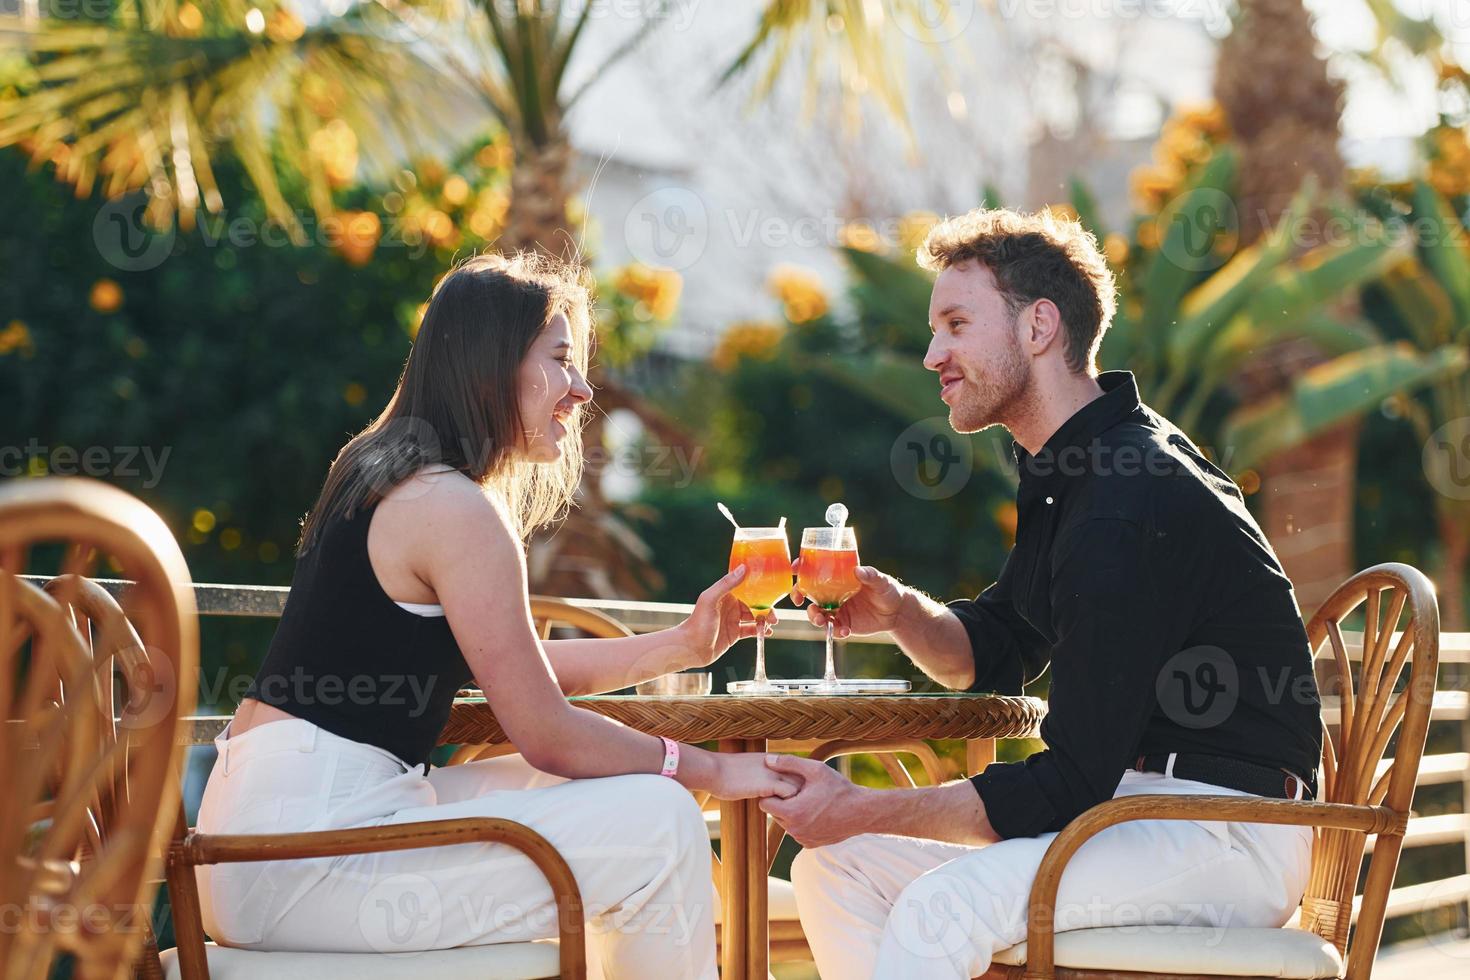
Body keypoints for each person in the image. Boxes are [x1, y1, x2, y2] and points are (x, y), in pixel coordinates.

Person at [195, 252, 797, 980]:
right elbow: (545, 732)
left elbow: (516, 671)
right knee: (660, 824)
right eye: (562, 359)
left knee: (601, 794)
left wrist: (679, 646)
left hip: (261, 834)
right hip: (303, 858)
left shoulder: (379, 466)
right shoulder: (452, 507)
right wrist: (705, 771)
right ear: (492, 363)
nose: (581, 390)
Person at [762, 207, 1323, 979]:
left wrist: (858, 807)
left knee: (937, 904)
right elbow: (991, 649)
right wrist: (897, 611)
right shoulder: (1077, 473)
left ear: (1039, 328)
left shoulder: (1126, 498)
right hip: (1139, 812)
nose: (932, 355)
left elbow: (1067, 783)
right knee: (836, 866)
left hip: (1221, 828)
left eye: (956, 325)